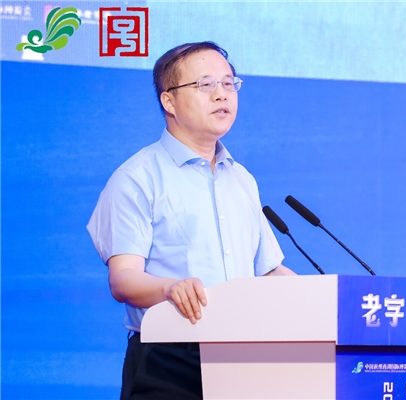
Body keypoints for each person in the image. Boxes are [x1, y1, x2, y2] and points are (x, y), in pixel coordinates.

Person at [87, 41, 294, 400]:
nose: (222, 94)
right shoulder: (137, 178)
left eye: (229, 83)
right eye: (206, 84)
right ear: (169, 101)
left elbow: (266, 271)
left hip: (244, 358)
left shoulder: (241, 178)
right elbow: (123, 279)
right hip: (169, 360)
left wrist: (330, 301)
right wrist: (170, 289)